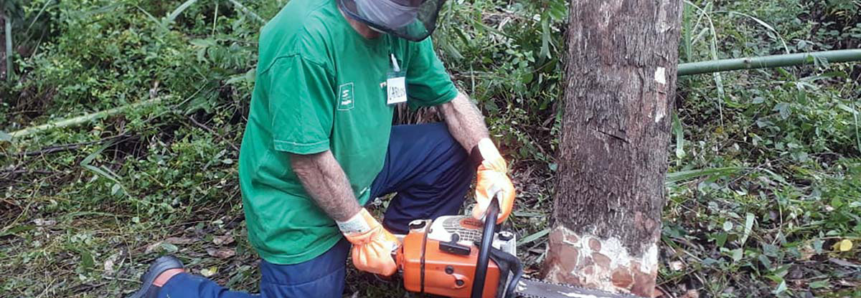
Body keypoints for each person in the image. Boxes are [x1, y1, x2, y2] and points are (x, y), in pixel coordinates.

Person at [129, 0, 515, 297]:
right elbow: (308, 160)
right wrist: (361, 230)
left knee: (450, 149)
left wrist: (488, 158)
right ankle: (171, 285)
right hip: (295, 196)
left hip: (365, 159)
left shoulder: (402, 20)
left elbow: (448, 99)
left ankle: (399, 253)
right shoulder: (304, 37)